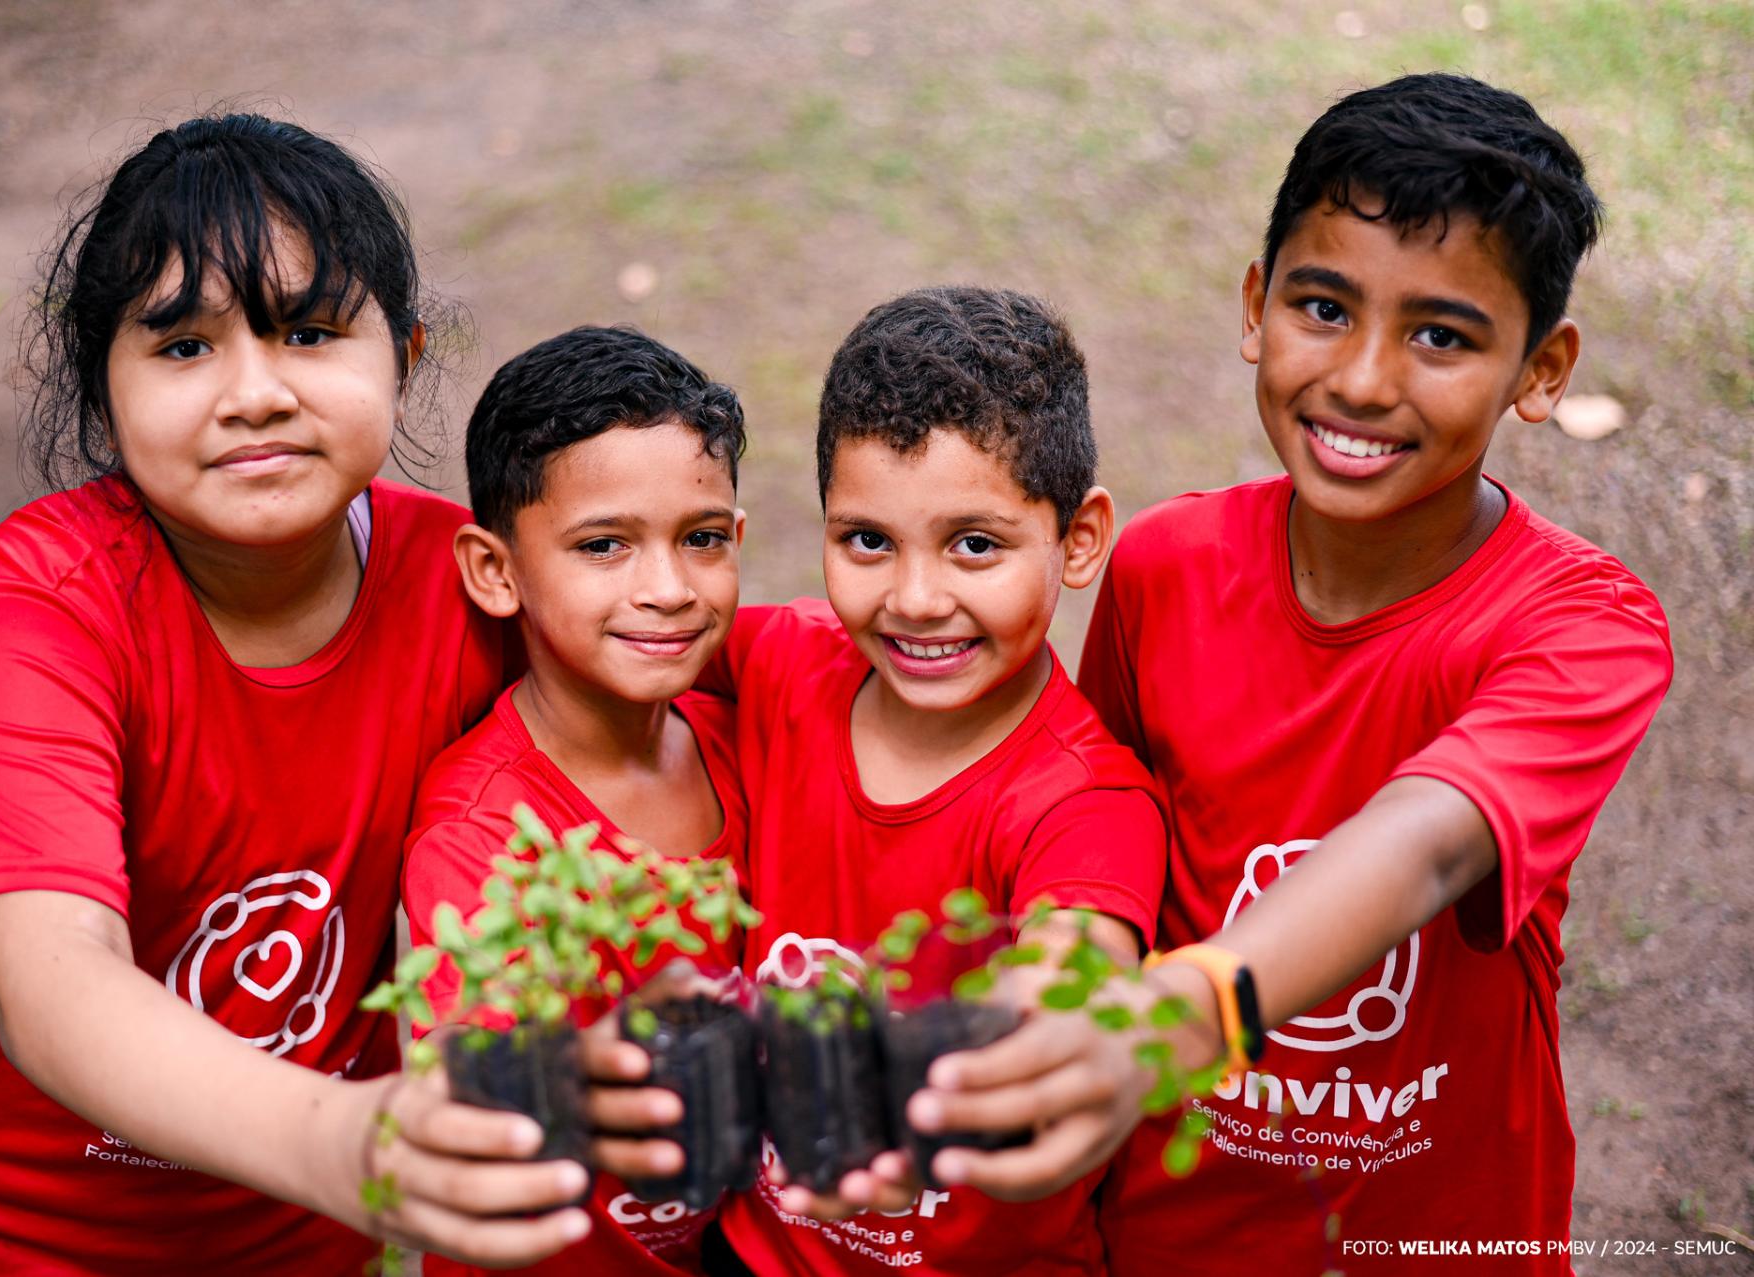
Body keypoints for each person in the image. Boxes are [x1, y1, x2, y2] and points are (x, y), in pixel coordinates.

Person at [908, 74, 1674, 1274]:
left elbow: (1430, 839)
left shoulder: (1582, 625)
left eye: (1442, 335)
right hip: (1164, 1229)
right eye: (1324, 305)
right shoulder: (1164, 564)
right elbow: (1105, 829)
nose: (1365, 379)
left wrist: (1183, 1014)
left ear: (1542, 367)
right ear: (1258, 306)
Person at [0, 114, 603, 1274]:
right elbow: (55, 984)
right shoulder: (37, 615)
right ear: (100, 386)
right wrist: (350, 1138)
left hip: (303, 1230)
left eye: (310, 331)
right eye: (182, 347)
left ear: (404, 354)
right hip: (23, 1229)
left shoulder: (473, 583)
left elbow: (742, 678)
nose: (255, 393)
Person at [704, 286, 1168, 1276]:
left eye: (975, 544)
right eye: (868, 540)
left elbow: (1077, 971)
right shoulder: (783, 662)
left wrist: (1021, 1046)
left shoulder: (1085, 800)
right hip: (760, 1251)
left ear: (1078, 539)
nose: (916, 600)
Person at [402, 324, 751, 1276]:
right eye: (605, 545)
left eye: (702, 538)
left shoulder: (747, 741)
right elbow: (479, 1081)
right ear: (496, 571)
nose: (669, 589)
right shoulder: (482, 833)